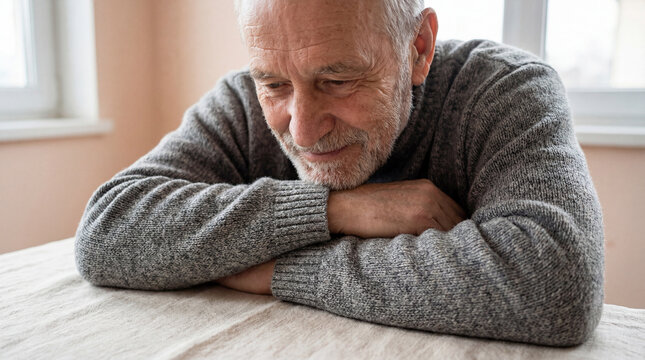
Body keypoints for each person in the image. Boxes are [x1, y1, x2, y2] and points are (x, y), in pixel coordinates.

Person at [75, 0, 604, 347]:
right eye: (274, 85)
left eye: (338, 80)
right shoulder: (239, 102)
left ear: (418, 49)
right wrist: (334, 209)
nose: (302, 132)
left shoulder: (505, 90)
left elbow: (558, 282)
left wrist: (277, 271)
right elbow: (107, 230)